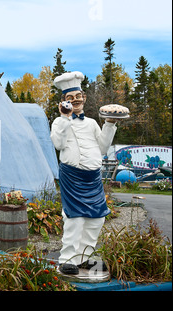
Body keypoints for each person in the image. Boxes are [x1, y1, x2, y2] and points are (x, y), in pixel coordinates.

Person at [50, 71, 117, 275]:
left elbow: (103, 147)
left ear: (84, 98)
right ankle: (67, 259)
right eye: (70, 98)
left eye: (78, 97)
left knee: (96, 218)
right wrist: (64, 118)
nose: (75, 101)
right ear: (64, 101)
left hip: (93, 177)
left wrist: (109, 124)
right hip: (72, 176)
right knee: (75, 218)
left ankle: (84, 258)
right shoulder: (58, 122)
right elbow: (58, 143)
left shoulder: (91, 123)